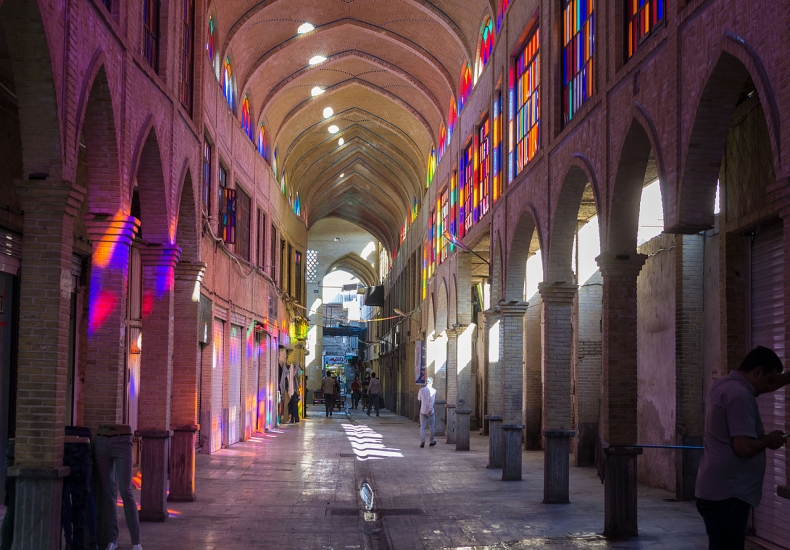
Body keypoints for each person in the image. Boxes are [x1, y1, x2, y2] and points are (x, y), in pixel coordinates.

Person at [695, 345, 790, 549]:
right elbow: (743, 447)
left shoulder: (724, 385)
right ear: (757, 371)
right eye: (769, 379)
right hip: (728, 495)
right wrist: (768, 440)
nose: (769, 387)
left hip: (716, 491)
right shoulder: (740, 396)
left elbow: (768, 383)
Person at [418, 377, 437, 447]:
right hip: (430, 411)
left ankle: (422, 442)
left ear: (426, 383)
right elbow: (432, 401)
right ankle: (431, 441)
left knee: (422, 426)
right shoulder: (434, 390)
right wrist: (430, 409)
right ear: (432, 383)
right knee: (432, 426)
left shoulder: (421, 390)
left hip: (422, 410)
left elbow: (419, 398)